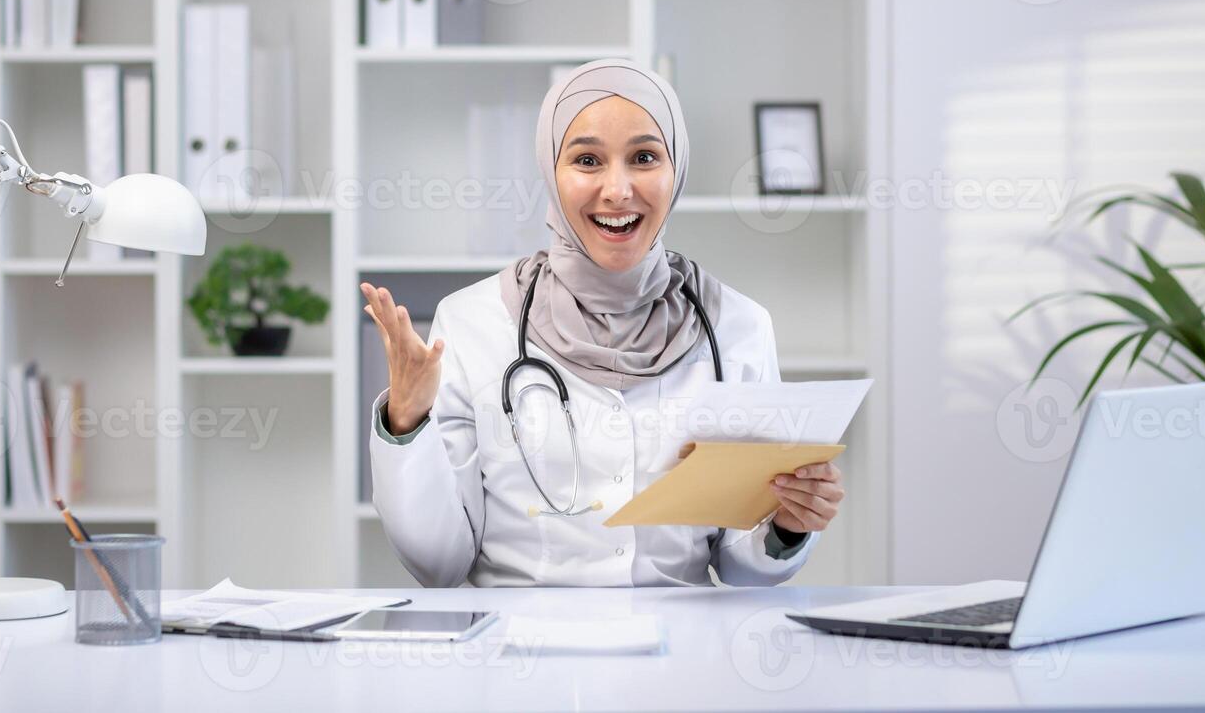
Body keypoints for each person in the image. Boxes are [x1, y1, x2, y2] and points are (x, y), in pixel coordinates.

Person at [361, 60, 844, 587]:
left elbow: (740, 565)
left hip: (680, 655)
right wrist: (405, 418)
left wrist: (788, 527)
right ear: (551, 170)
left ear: (676, 169)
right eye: (587, 160)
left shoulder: (737, 328)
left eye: (644, 157)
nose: (617, 190)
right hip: (518, 654)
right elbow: (438, 562)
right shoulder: (472, 323)